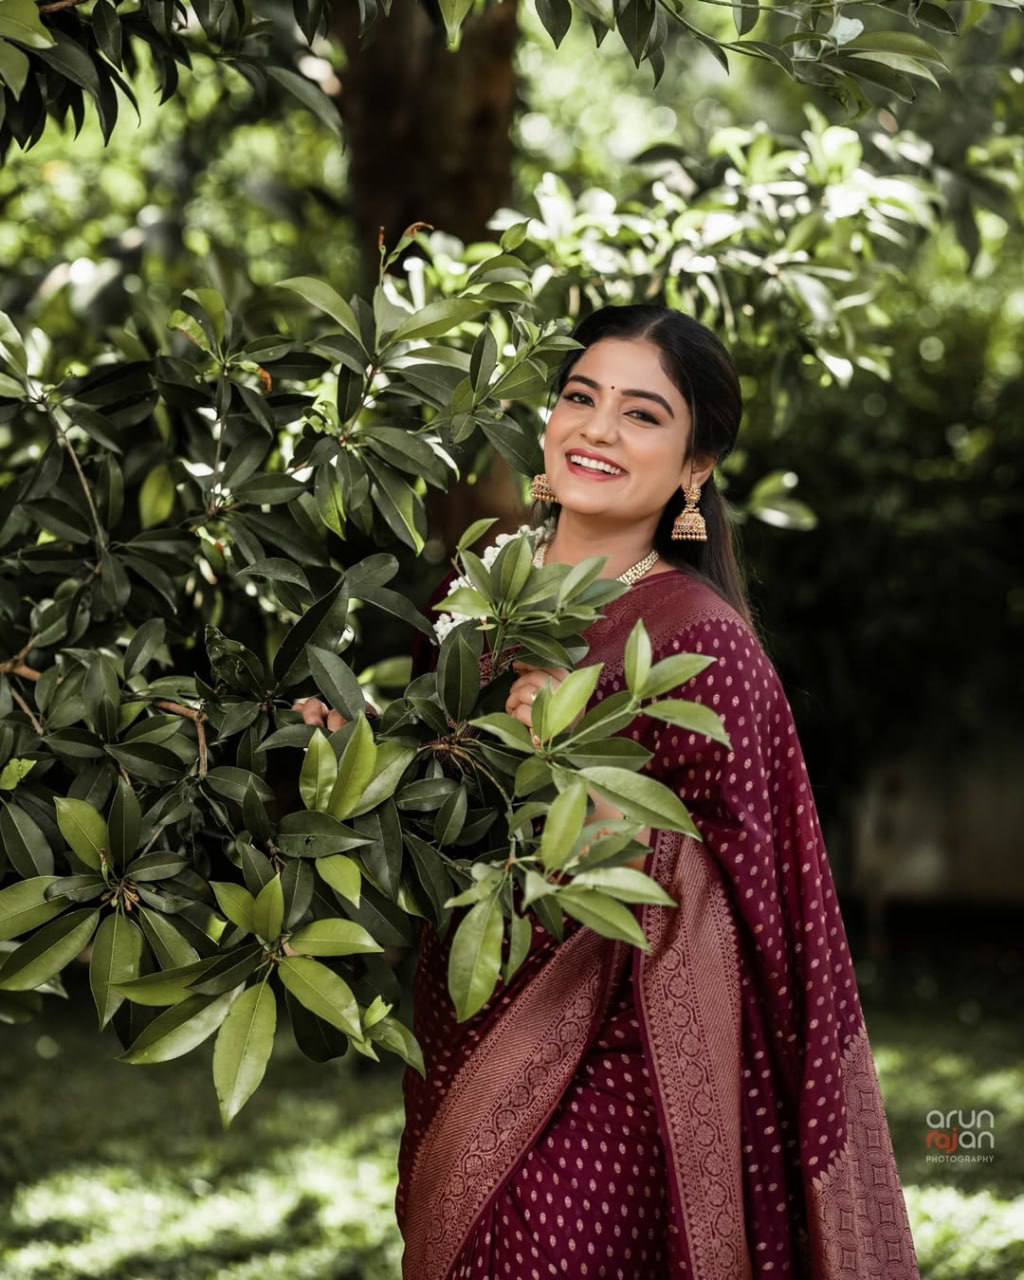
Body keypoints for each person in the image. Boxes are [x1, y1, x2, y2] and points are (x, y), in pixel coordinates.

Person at [298, 304, 921, 1279]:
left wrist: (588, 802)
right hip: (466, 1021)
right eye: (580, 397)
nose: (595, 428)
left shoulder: (696, 639)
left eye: (641, 413)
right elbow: (423, 807)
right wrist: (345, 754)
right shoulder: (470, 602)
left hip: (626, 1072)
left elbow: (763, 896)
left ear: (694, 468)